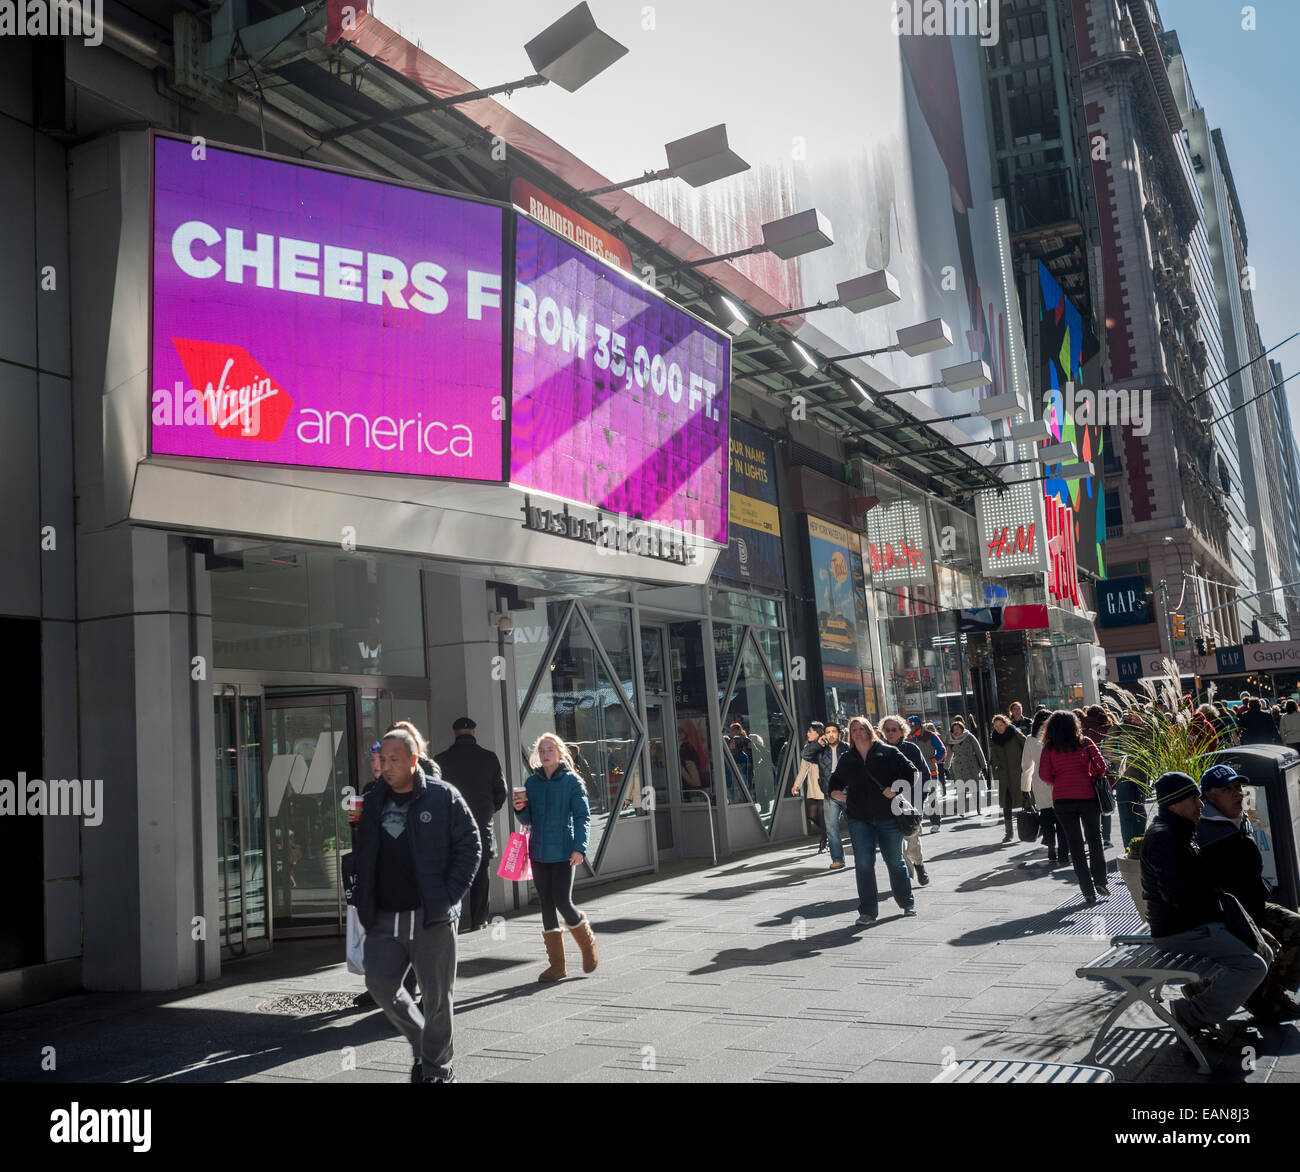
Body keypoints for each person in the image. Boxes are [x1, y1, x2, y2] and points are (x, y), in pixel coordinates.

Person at [354, 730, 480, 1083]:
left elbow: (471, 845)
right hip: (383, 917)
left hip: (431, 917)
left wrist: (447, 896)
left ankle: (437, 1069)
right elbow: (367, 855)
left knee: (438, 998)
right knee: (379, 983)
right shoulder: (373, 798)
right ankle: (425, 1042)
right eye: (382, 759)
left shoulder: (442, 797)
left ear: (413, 761)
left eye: (394, 759)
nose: (386, 766)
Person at [1141, 772, 1272, 1036]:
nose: (1201, 804)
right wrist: (1220, 921)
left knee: (1263, 951)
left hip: (1193, 922)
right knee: (1253, 965)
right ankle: (1191, 1015)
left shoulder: (1180, 830)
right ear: (1176, 803)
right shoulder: (1165, 837)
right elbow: (1179, 897)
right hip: (1179, 930)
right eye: (1194, 798)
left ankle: (1211, 1001)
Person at [1196, 765, 1300, 1021]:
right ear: (1209, 796)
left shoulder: (1235, 819)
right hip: (1229, 917)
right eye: (1227, 789)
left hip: (1250, 907)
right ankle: (1241, 994)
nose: (1237, 793)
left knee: (1297, 927)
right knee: (1269, 945)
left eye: (1238, 787)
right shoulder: (1206, 831)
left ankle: (1271, 992)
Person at [512, 733, 597, 981]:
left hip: (563, 851)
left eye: (550, 749)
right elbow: (527, 820)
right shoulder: (532, 783)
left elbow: (583, 817)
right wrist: (520, 809)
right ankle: (557, 966)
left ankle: (587, 943)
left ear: (560, 753)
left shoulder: (572, 782)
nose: (545, 753)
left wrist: (580, 848)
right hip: (538, 851)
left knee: (562, 901)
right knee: (546, 904)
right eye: (542, 750)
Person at [828, 717, 916, 924]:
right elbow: (834, 782)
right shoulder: (847, 758)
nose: (858, 733)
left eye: (861, 729)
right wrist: (835, 793)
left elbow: (912, 773)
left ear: (869, 731)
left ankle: (907, 902)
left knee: (894, 862)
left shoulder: (887, 752)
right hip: (859, 818)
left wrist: (895, 789)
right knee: (864, 864)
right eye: (854, 730)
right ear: (850, 734)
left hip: (888, 817)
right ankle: (867, 912)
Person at [434, 716, 507, 934]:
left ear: (454, 734)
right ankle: (479, 920)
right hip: (481, 824)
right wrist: (488, 811)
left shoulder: (441, 759)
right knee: (481, 872)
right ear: (474, 733)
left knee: (453, 872)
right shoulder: (489, 758)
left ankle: (450, 920)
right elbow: (501, 793)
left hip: (452, 826)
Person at [1038, 711, 1109, 905]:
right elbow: (1101, 767)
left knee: (1075, 844)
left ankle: (1087, 890)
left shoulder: (1049, 748)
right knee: (1095, 839)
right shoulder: (1085, 742)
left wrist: (1060, 781)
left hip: (1062, 800)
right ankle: (1101, 880)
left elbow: (1044, 774)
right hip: (1087, 797)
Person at [880, 716, 930, 886]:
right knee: (897, 847)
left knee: (912, 841)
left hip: (912, 805)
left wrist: (921, 800)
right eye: (887, 730)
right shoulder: (880, 751)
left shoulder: (912, 749)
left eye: (894, 729)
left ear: (902, 731)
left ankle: (919, 864)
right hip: (889, 806)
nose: (890, 733)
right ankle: (906, 878)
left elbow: (925, 775)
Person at [1022, 709, 1066, 864]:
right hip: (1058, 780)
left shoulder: (1030, 739)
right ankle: (1063, 850)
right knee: (1061, 817)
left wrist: (1025, 788)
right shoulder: (1057, 736)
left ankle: (1050, 846)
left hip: (1039, 781)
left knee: (1046, 815)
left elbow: (1026, 766)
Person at [987, 714, 1027, 844]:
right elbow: (993, 759)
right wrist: (996, 775)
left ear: (1006, 723)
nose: (999, 728)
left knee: (1026, 801)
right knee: (1006, 803)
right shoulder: (994, 739)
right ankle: (1008, 833)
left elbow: (1027, 746)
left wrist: (1026, 767)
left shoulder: (1015, 733)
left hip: (1018, 774)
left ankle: (1034, 826)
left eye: (1001, 725)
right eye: (996, 726)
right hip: (1004, 777)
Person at [1080, 705, 1116, 845]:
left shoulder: (1081, 731)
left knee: (1089, 808)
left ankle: (1090, 836)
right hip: (1103, 773)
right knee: (1105, 802)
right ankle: (1106, 837)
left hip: (1086, 774)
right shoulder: (1106, 729)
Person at [944, 718, 988, 823]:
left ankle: (978, 809)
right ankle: (962, 810)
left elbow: (978, 751)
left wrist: (984, 766)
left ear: (962, 729)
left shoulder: (969, 736)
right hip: (959, 768)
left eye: (958, 729)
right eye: (954, 729)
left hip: (972, 766)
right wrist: (946, 768)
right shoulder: (951, 740)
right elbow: (949, 755)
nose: (956, 731)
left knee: (975, 789)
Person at [793, 721, 828, 853]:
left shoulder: (825, 746)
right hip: (813, 786)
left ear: (818, 733)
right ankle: (829, 833)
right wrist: (796, 785)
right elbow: (803, 769)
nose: (807, 733)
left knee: (823, 816)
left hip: (824, 785)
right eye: (808, 731)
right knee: (812, 815)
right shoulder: (808, 748)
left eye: (810, 731)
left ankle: (823, 842)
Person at [818, 723, 849, 871]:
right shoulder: (820, 751)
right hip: (829, 794)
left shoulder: (848, 748)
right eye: (827, 732)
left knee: (857, 826)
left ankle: (863, 854)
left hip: (849, 793)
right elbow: (805, 755)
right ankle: (837, 859)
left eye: (833, 732)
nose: (830, 734)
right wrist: (817, 744)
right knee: (831, 829)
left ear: (839, 733)